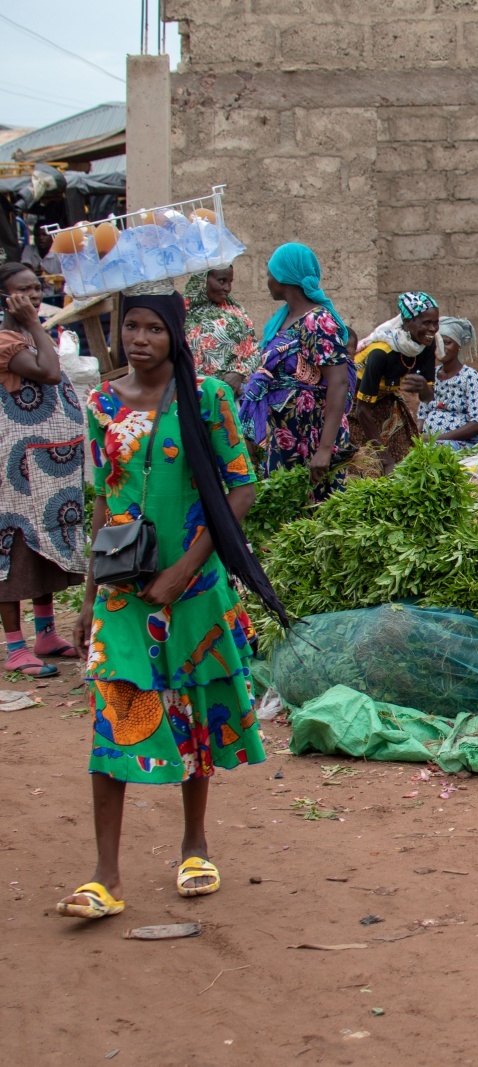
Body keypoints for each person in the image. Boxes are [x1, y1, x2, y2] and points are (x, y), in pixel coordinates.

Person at [59, 289, 292, 921]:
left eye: (153, 329)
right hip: (122, 593)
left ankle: (195, 845)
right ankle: (105, 875)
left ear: (176, 337)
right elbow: (104, 500)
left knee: (192, 715)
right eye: (129, 327)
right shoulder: (102, 403)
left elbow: (240, 489)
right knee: (116, 715)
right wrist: (88, 599)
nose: (139, 339)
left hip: (192, 589)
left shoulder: (208, 397)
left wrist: (183, 571)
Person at [0, 263, 85, 677]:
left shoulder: (28, 335)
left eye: (38, 289)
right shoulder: (6, 341)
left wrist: (35, 326)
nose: (34, 296)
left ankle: (46, 632)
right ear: (5, 298)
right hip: (15, 470)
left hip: (46, 467)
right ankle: (16, 647)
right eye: (23, 291)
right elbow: (49, 373)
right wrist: (35, 324)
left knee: (45, 543)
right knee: (13, 548)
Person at [238, 243, 353, 500]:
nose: (267, 280)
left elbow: (339, 383)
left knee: (315, 513)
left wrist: (324, 449)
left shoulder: (317, 320)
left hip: (312, 434)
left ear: (284, 277)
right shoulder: (283, 320)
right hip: (285, 434)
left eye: (270, 273)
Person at [351, 291, 439, 469]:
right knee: (366, 468)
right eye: (426, 323)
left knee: (406, 464)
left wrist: (423, 387)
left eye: (436, 323)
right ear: (407, 323)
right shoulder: (380, 354)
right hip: (354, 409)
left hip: (386, 403)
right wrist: (385, 460)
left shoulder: (426, 346)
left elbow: (428, 398)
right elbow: (362, 410)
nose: (433, 329)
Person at [183, 266, 258, 395]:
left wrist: (239, 373)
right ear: (203, 279)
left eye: (230, 282)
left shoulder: (236, 312)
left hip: (230, 396)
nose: (227, 288)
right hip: (192, 394)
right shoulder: (181, 313)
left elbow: (253, 350)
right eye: (222, 281)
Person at [418, 316, 478, 449]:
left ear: (458, 346)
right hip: (430, 442)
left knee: (439, 449)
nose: (441, 348)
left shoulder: (470, 378)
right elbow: (422, 415)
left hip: (462, 443)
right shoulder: (431, 375)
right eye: (438, 343)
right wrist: (416, 436)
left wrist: (437, 439)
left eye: (447, 342)